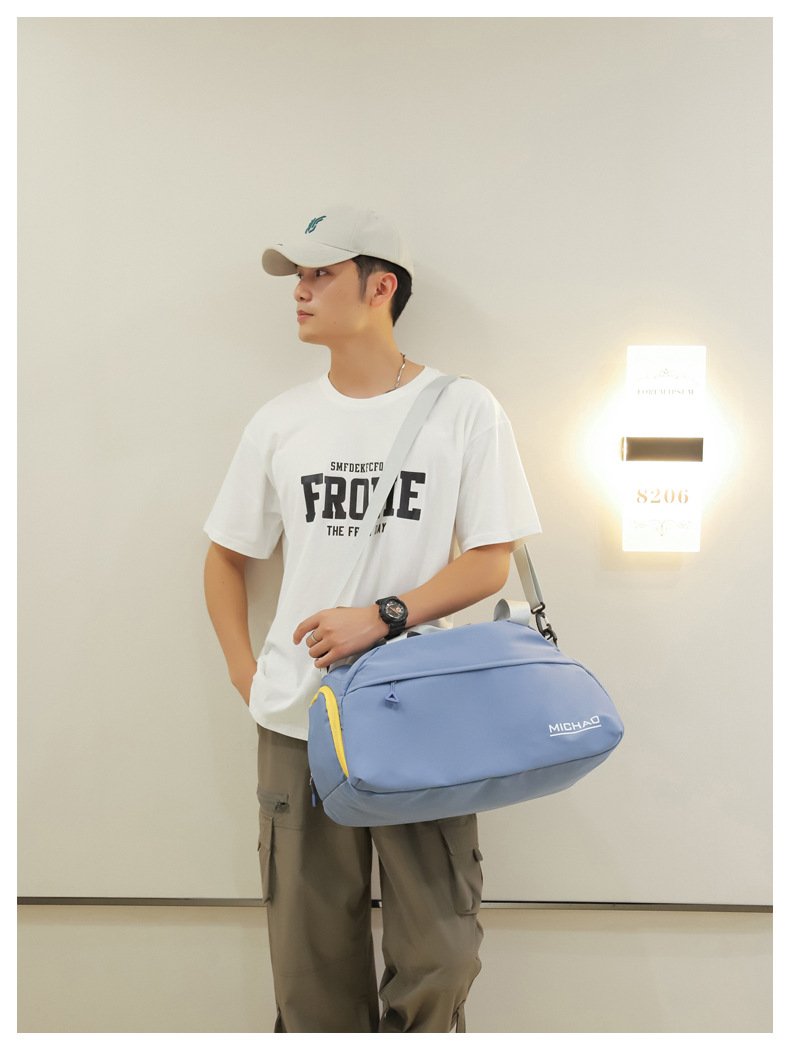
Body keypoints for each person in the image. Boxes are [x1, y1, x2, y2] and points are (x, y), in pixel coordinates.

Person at [203, 205, 541, 1033]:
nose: (301, 291)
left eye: (321, 274)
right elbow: (224, 557)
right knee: (311, 966)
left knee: (442, 953)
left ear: (380, 286)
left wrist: (381, 618)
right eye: (298, 277)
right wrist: (249, 677)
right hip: (299, 721)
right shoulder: (281, 421)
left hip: (418, 717)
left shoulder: (464, 409)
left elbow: (489, 561)